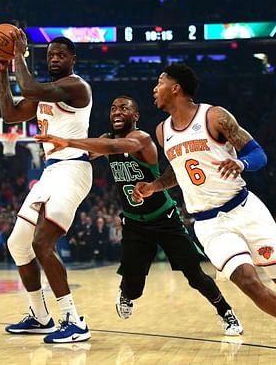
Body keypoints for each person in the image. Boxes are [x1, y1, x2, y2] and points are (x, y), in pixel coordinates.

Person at [131, 64, 276, 358]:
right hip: (208, 224)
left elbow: (258, 154)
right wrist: (155, 186)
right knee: (247, 282)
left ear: (176, 88)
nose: (154, 89)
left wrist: (241, 163)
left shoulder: (214, 116)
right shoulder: (162, 131)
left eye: (159, 82)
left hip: (243, 209)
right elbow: (179, 172)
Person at [35, 95, 243, 335]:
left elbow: (112, 148)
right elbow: (89, 153)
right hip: (134, 223)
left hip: (164, 219)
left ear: (135, 116)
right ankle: (126, 293)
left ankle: (226, 312)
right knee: (134, 286)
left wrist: (68, 141)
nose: (117, 112)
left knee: (195, 275)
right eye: (113, 108)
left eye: (124, 108)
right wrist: (60, 154)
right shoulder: (105, 139)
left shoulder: (142, 139)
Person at [0, 30, 93, 343]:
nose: (55, 59)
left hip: (73, 168)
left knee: (42, 243)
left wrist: (18, 54)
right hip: (51, 171)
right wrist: (3, 72)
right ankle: (40, 316)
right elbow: (9, 115)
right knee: (17, 244)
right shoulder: (42, 93)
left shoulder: (76, 86)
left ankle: (75, 320)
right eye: (50, 55)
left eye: (61, 54)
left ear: (73, 59)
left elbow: (30, 85)